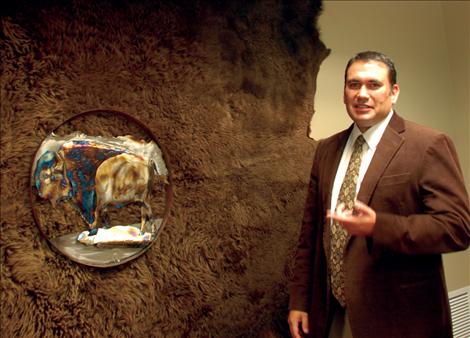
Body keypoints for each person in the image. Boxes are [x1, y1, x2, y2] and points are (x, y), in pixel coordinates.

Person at [287, 51, 470, 338]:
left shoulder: (428, 144)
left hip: (401, 319)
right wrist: (300, 301)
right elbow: (309, 235)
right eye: (353, 84)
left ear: (393, 92)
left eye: (373, 85)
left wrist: (378, 226)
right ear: (344, 93)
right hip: (333, 313)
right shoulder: (326, 150)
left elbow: (457, 228)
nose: (362, 94)